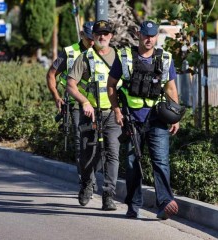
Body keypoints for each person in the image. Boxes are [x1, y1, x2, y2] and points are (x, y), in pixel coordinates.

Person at [107, 20, 180, 219]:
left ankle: (165, 203)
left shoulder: (165, 58)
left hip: (157, 118)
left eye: (152, 35)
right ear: (139, 34)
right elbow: (111, 85)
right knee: (132, 164)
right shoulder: (125, 57)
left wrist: (175, 117)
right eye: (146, 35)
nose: (149, 39)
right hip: (132, 119)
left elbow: (171, 88)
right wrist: (117, 110)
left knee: (161, 162)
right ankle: (133, 205)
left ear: (157, 36)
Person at [66, 20, 121, 211]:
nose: (102, 37)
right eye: (99, 33)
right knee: (88, 155)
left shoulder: (119, 57)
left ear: (111, 36)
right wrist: (84, 102)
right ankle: (87, 184)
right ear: (93, 36)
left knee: (112, 153)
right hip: (90, 114)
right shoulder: (85, 58)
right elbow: (71, 85)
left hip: (112, 114)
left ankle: (108, 195)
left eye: (106, 33)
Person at [46, 22, 94, 182]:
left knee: (99, 143)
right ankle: (86, 180)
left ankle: (91, 173)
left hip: (98, 104)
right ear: (82, 35)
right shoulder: (70, 52)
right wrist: (56, 97)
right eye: (89, 39)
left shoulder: (102, 51)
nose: (92, 42)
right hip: (75, 103)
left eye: (94, 38)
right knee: (81, 140)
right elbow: (51, 74)